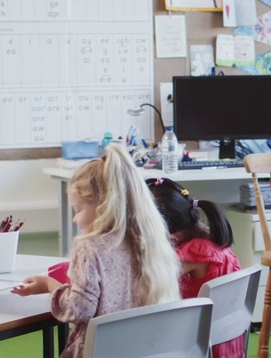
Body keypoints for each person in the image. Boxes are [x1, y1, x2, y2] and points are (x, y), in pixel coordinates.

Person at [11, 144, 181, 358]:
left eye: (78, 210)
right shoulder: (150, 241)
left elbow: (79, 309)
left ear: (103, 206)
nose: (75, 219)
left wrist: (48, 285)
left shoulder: (90, 248)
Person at [145, 177, 243, 358]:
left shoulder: (193, 253)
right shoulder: (213, 240)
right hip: (227, 340)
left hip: (201, 345)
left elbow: (149, 280)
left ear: (170, 237)